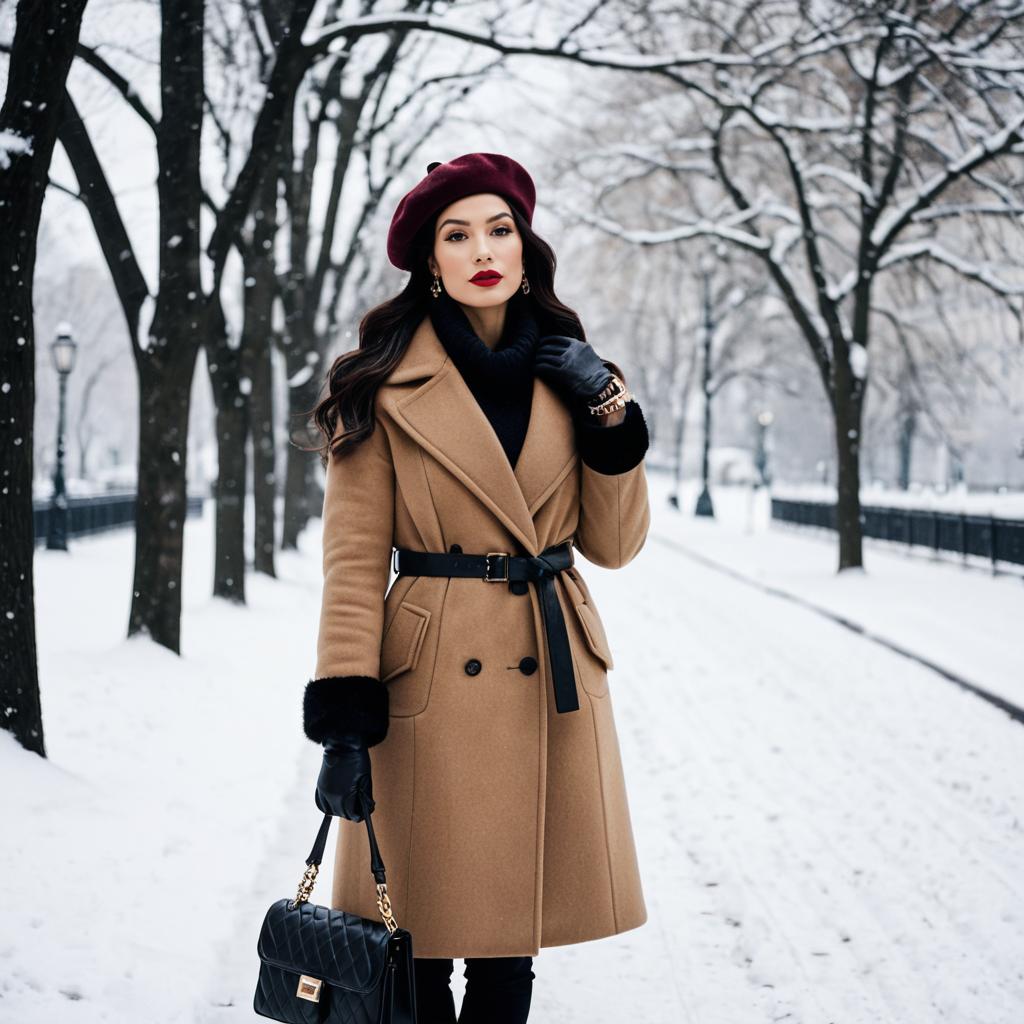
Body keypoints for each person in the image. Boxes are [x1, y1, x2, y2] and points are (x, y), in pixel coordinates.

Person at [303, 152, 651, 1024]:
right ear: (431, 261)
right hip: (427, 679)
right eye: (457, 236)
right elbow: (353, 567)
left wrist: (609, 414)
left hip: (545, 666)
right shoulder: (381, 385)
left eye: (499, 230)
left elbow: (614, 546)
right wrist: (343, 721)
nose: (483, 250)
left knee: (508, 950)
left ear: (526, 249)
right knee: (412, 944)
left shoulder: (576, 377)